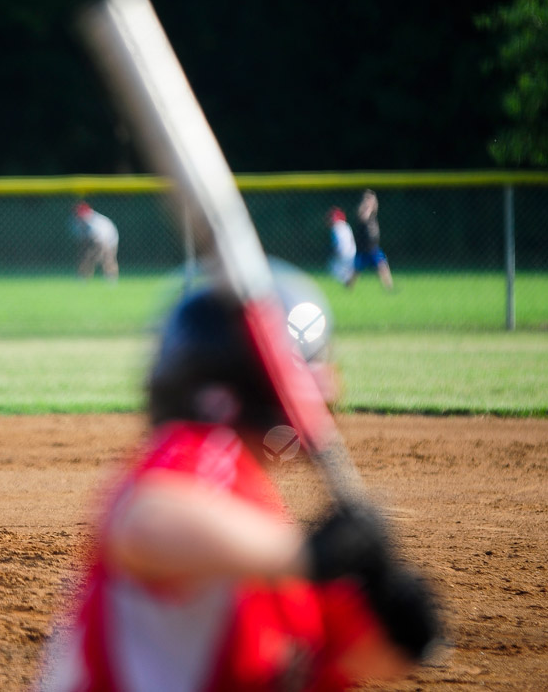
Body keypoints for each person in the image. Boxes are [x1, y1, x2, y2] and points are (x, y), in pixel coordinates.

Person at [35, 275, 440, 690]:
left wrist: (399, 631)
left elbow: (316, 663)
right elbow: (144, 523)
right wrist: (309, 554)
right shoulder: (200, 453)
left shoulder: (259, 524)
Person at [350, 189, 393, 290]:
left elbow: (375, 207)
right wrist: (367, 206)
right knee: (356, 270)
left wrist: (373, 203)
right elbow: (363, 218)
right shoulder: (362, 211)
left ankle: (389, 287)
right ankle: (348, 286)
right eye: (368, 199)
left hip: (373, 247)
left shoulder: (373, 213)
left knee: (382, 266)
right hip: (364, 248)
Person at [70, 201, 119, 281]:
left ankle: (110, 278)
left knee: (107, 258)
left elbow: (100, 240)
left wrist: (92, 253)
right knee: (87, 257)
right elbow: (80, 237)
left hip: (108, 240)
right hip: (93, 241)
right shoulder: (76, 221)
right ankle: (83, 277)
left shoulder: (95, 222)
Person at [326, 206, 356, 286]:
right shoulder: (346, 225)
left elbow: (339, 243)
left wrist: (336, 252)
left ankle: (347, 281)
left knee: (333, 267)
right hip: (351, 251)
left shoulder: (337, 227)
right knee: (345, 269)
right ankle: (348, 282)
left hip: (342, 251)